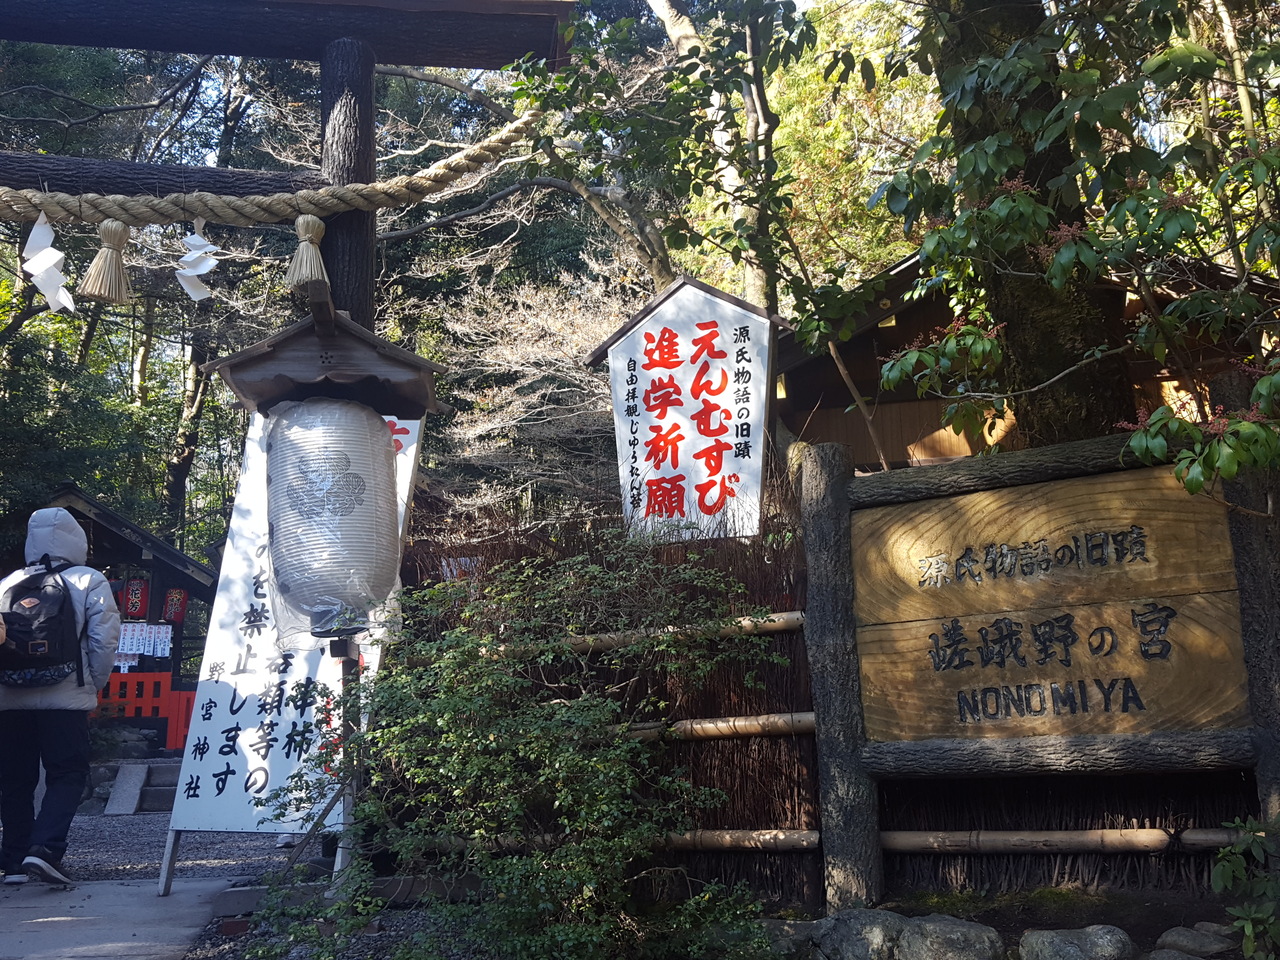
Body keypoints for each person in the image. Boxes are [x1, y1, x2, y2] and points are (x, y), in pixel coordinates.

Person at [0, 507, 120, 885]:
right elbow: (104, 640)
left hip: (10, 697)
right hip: (65, 696)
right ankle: (46, 850)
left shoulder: (9, 582)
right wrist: (92, 685)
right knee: (67, 773)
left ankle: (15, 860)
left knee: (14, 779)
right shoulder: (89, 580)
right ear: (78, 541)